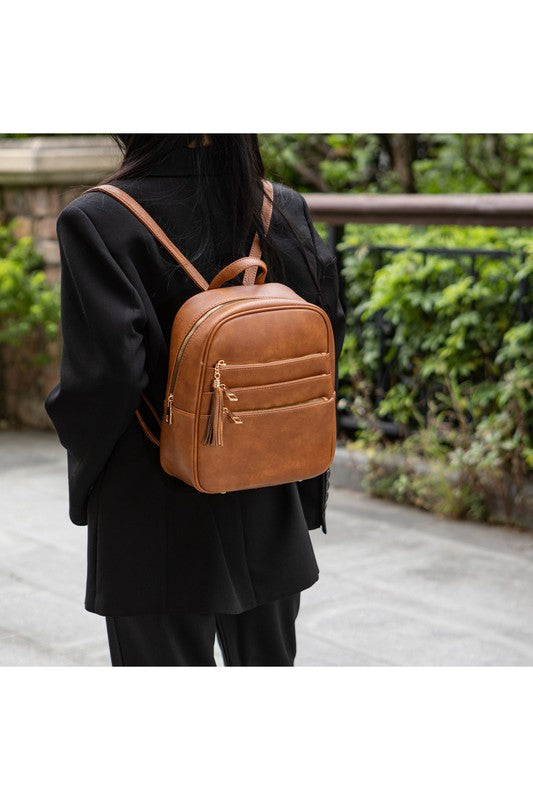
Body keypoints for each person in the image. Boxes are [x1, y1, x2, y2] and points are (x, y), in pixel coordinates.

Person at [45, 134, 346, 667]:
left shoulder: (100, 218)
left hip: (152, 502)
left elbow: (107, 378)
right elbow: (327, 332)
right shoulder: (278, 207)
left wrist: (83, 461)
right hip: (267, 487)